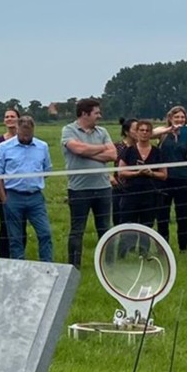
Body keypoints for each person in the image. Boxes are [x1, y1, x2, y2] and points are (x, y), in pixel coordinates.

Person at [61, 98, 117, 268]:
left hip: (103, 188)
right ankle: (74, 266)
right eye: (96, 113)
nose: (99, 116)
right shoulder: (68, 130)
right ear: (85, 114)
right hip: (79, 189)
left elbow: (113, 154)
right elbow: (77, 149)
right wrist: (101, 149)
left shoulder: (102, 131)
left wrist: (87, 152)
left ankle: (108, 265)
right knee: (77, 230)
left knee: (105, 228)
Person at [0, 115, 54, 262]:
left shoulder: (42, 147)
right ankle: (18, 267)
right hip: (13, 196)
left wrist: (34, 182)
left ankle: (47, 265)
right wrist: (4, 199)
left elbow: (47, 170)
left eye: (29, 135)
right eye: (23, 134)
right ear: (17, 129)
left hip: (35, 197)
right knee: (15, 237)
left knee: (45, 232)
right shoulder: (4, 148)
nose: (26, 137)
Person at [117, 120, 166, 255]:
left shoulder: (157, 152)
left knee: (147, 225)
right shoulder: (129, 151)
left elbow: (163, 174)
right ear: (136, 133)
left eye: (147, 131)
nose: (144, 133)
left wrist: (152, 173)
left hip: (150, 194)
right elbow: (121, 172)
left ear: (151, 133)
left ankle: (144, 255)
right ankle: (122, 254)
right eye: (141, 130)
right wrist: (137, 173)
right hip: (131, 194)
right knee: (127, 225)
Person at [153, 105, 187, 253]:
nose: (180, 120)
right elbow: (150, 134)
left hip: (184, 179)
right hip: (164, 179)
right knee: (162, 215)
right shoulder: (163, 133)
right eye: (177, 117)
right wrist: (169, 129)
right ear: (170, 118)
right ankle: (163, 247)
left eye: (182, 117)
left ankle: (183, 247)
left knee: (182, 215)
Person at [0, 108, 21, 258]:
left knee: (21, 224)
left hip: (21, 188)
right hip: (3, 189)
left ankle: (19, 254)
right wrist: (2, 192)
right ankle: (4, 256)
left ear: (18, 119)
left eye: (12, 116)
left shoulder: (26, 139)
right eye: (6, 117)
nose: (9, 119)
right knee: (5, 223)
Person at [111, 118, 138, 226]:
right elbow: (100, 161)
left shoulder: (142, 147)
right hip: (120, 187)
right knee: (119, 220)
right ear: (127, 132)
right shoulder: (117, 147)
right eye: (136, 129)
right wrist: (108, 176)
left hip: (137, 187)